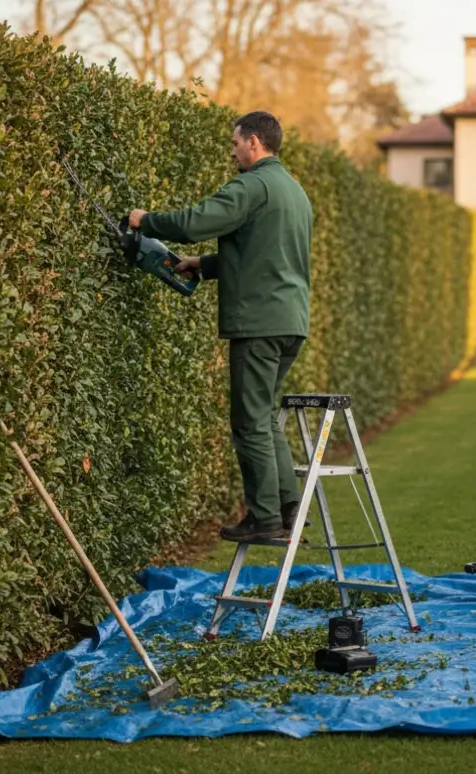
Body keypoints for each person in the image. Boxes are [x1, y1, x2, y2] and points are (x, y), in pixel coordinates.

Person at [128, 111, 313, 542]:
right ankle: (289, 510)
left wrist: (146, 220)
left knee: (248, 423)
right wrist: (204, 266)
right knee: (264, 418)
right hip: (290, 322)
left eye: (235, 144)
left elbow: (196, 222)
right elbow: (267, 252)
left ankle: (264, 518)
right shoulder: (294, 192)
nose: (231, 151)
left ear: (253, 143)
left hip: (258, 324)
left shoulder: (252, 185)